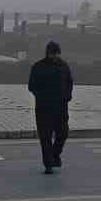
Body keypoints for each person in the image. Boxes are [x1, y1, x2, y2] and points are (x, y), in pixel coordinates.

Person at [27, 40, 74, 174]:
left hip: (61, 107)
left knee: (63, 134)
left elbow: (70, 82)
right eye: (52, 54)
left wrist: (68, 95)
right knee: (45, 137)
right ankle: (48, 164)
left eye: (56, 54)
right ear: (47, 53)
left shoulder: (64, 65)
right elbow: (31, 86)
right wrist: (41, 96)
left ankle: (55, 155)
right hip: (43, 108)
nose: (54, 56)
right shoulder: (38, 66)